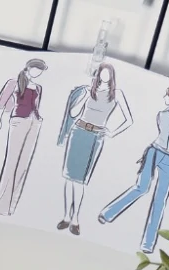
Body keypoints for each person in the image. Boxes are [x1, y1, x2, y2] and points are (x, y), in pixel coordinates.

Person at [97, 85, 169, 252]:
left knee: (160, 198)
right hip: (154, 151)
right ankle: (108, 213)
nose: (164, 97)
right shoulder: (161, 115)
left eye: (167, 95)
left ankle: (148, 243)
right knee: (141, 187)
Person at [55, 60, 132, 235]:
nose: (104, 77)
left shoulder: (116, 94)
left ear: (112, 76)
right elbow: (73, 113)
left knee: (81, 180)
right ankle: (66, 216)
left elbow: (129, 119)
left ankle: (75, 219)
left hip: (95, 136)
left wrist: (112, 132)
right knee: (68, 177)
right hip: (78, 131)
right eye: (101, 73)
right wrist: (84, 96)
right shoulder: (88, 91)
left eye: (107, 73)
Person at [0, 58, 49, 217]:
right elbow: (1, 102)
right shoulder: (14, 83)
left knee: (23, 164)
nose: (38, 72)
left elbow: (36, 106)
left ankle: (11, 207)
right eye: (36, 69)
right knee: (11, 162)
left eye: (40, 70)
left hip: (34, 123)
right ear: (28, 68)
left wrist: (38, 119)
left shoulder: (38, 87)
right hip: (18, 121)